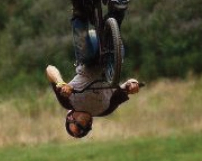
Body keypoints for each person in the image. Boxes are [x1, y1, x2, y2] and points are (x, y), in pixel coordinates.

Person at [48, 0, 138, 138]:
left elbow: (50, 69)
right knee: (115, 35)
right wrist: (133, 85)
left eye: (79, 126)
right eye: (86, 129)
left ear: (70, 117)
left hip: (90, 52)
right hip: (111, 59)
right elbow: (125, 88)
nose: (85, 125)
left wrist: (61, 83)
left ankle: (80, 11)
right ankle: (118, 8)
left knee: (85, 55)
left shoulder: (67, 101)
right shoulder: (105, 109)